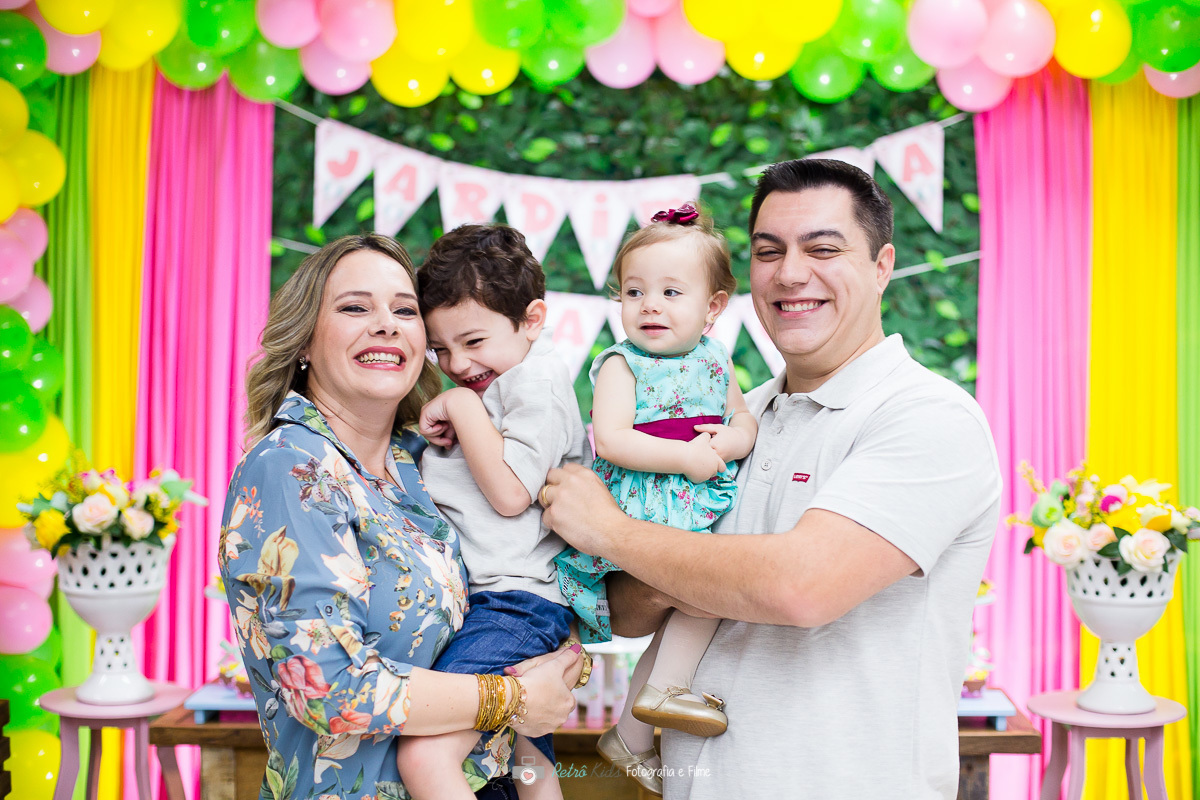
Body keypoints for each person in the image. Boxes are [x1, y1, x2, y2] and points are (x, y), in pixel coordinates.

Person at [539, 159, 1002, 800]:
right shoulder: (738, 418)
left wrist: (611, 531)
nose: (790, 273)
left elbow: (801, 587)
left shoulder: (928, 418)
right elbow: (622, 606)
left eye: (823, 248)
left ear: (882, 266)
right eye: (768, 251)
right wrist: (692, 577)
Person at [219, 233, 581, 800]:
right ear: (305, 342)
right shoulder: (291, 467)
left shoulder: (421, 467)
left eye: (404, 310)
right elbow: (329, 689)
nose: (386, 324)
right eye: (355, 307)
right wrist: (517, 697)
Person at [553, 205, 756, 796]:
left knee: (693, 607)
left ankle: (633, 734)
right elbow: (612, 439)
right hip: (646, 500)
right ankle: (664, 696)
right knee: (704, 591)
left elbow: (742, 418)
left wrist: (732, 437)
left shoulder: (717, 360)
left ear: (712, 308)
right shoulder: (622, 363)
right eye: (635, 291)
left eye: (671, 292)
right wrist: (686, 457)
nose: (649, 306)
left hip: (694, 492)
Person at [394, 224, 591, 800]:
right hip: (512, 601)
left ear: (531, 320)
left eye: (473, 342)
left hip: (514, 604)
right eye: (441, 349)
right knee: (528, 758)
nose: (456, 363)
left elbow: (510, 493)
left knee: (427, 753)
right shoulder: (501, 386)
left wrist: (459, 405)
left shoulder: (536, 383)